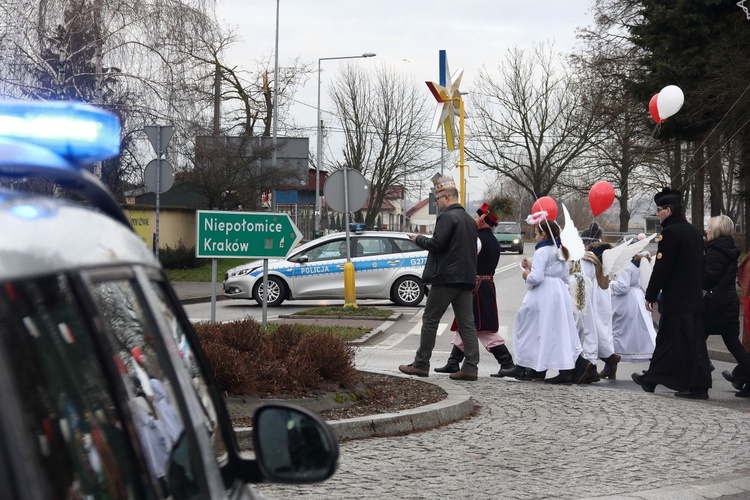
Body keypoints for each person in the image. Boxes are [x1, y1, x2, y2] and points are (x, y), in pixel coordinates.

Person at [632, 187, 712, 399]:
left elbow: (662, 268)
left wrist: (650, 295)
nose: (657, 214)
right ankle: (651, 379)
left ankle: (697, 387)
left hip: (677, 299)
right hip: (693, 297)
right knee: (676, 341)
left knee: (681, 343)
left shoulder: (670, 233)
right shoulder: (695, 231)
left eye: (659, 210)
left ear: (668, 210)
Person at [398, 175, 480, 381]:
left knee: (430, 319)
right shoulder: (470, 220)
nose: (436, 203)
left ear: (446, 197)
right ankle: (470, 367)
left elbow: (437, 244)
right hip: (466, 278)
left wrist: (419, 238)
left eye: (437, 199)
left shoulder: (447, 217)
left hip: (446, 278)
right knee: (467, 324)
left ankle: (421, 363)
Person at [433, 203, 516, 376]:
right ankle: (453, 362)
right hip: (484, 286)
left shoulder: (477, 240)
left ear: (484, 220)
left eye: (478, 217)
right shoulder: (492, 240)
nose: (474, 220)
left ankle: (507, 363)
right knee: (466, 326)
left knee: (480, 328)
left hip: (476, 288)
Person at [502, 216, 583, 382]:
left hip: (544, 294)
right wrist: (532, 267)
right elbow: (561, 274)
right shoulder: (559, 250)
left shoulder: (541, 251)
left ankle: (536, 367)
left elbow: (536, 278)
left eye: (537, 234)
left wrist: (526, 274)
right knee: (556, 331)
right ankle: (552, 368)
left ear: (544, 235)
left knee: (536, 329)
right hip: (559, 293)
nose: (535, 237)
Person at [702, 215, 750, 397]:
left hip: (715, 302)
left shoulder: (715, 250)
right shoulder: (730, 248)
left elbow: (708, 278)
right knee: (733, 344)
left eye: (709, 228)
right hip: (728, 300)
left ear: (716, 231)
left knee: (697, 338)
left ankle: (698, 378)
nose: (707, 231)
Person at [610, 253, 656, 364]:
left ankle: (611, 363)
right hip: (637, 298)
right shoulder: (637, 265)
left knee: (618, 331)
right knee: (639, 329)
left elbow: (623, 287)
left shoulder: (626, 266)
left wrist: (610, 283)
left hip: (626, 301)